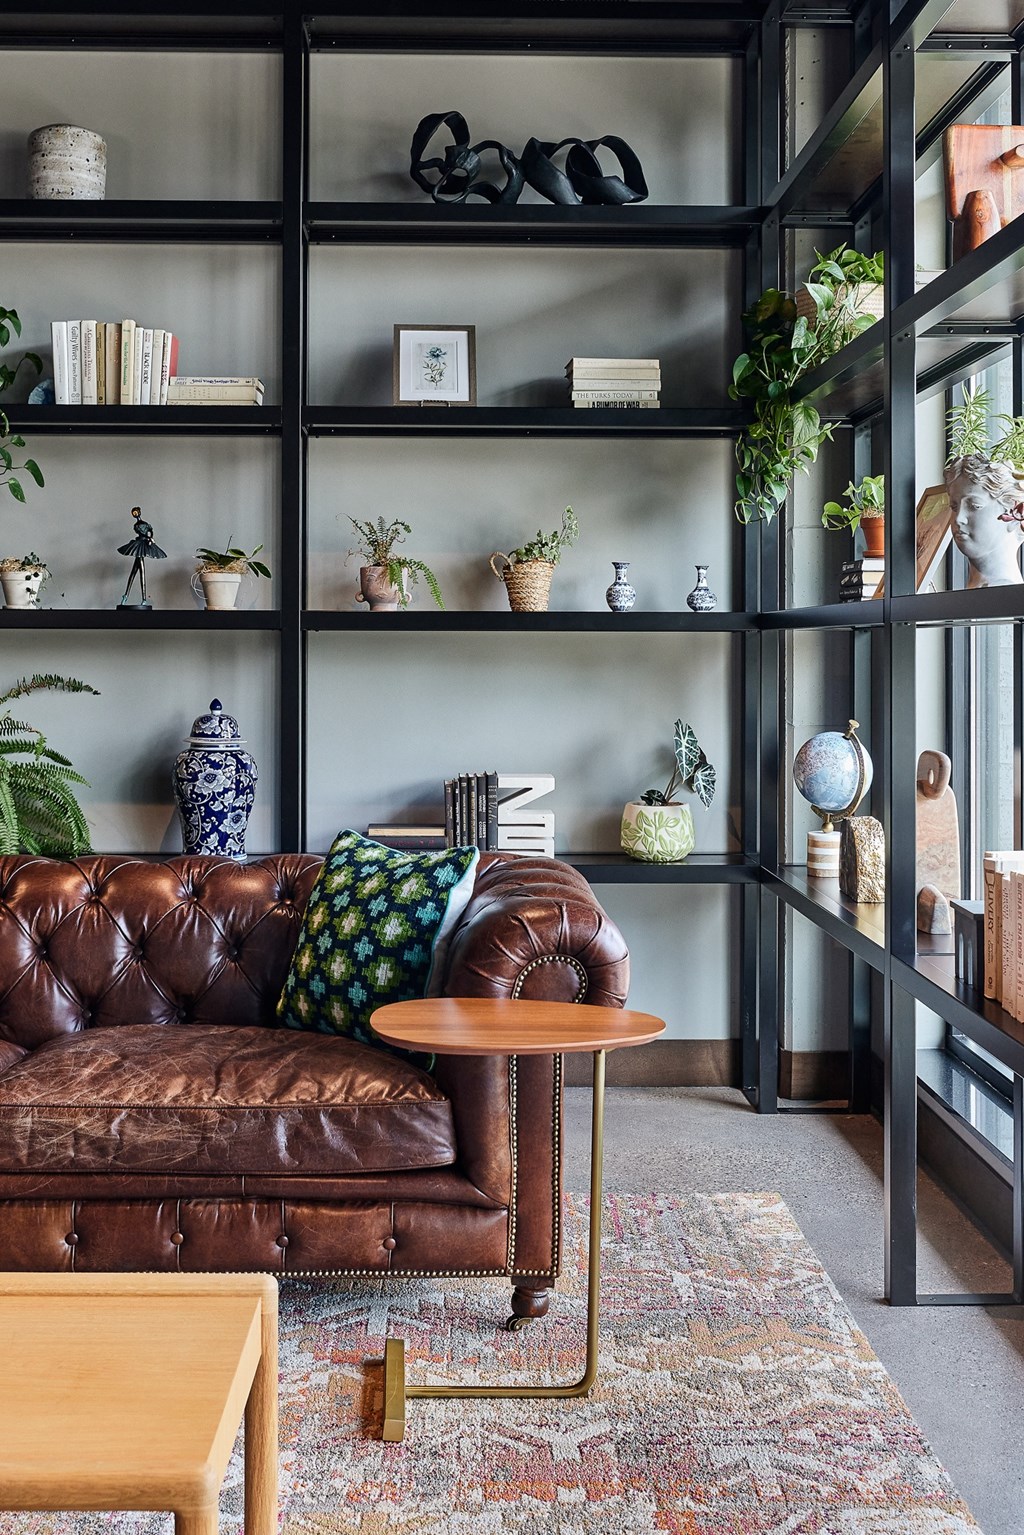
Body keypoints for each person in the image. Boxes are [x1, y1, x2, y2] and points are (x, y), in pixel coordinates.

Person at [943, 454, 1024, 588]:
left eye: (975, 506)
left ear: (1015, 515)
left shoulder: (1007, 596)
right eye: (954, 507)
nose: (959, 518)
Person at [116, 505, 167, 609]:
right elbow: (149, 531)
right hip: (139, 544)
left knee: (137, 573)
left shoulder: (144, 524)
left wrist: (150, 539)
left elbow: (150, 531)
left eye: (136, 513)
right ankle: (134, 597)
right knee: (136, 573)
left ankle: (133, 597)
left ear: (139, 513)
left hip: (143, 544)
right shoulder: (136, 525)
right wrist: (149, 537)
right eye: (133, 513)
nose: (135, 515)